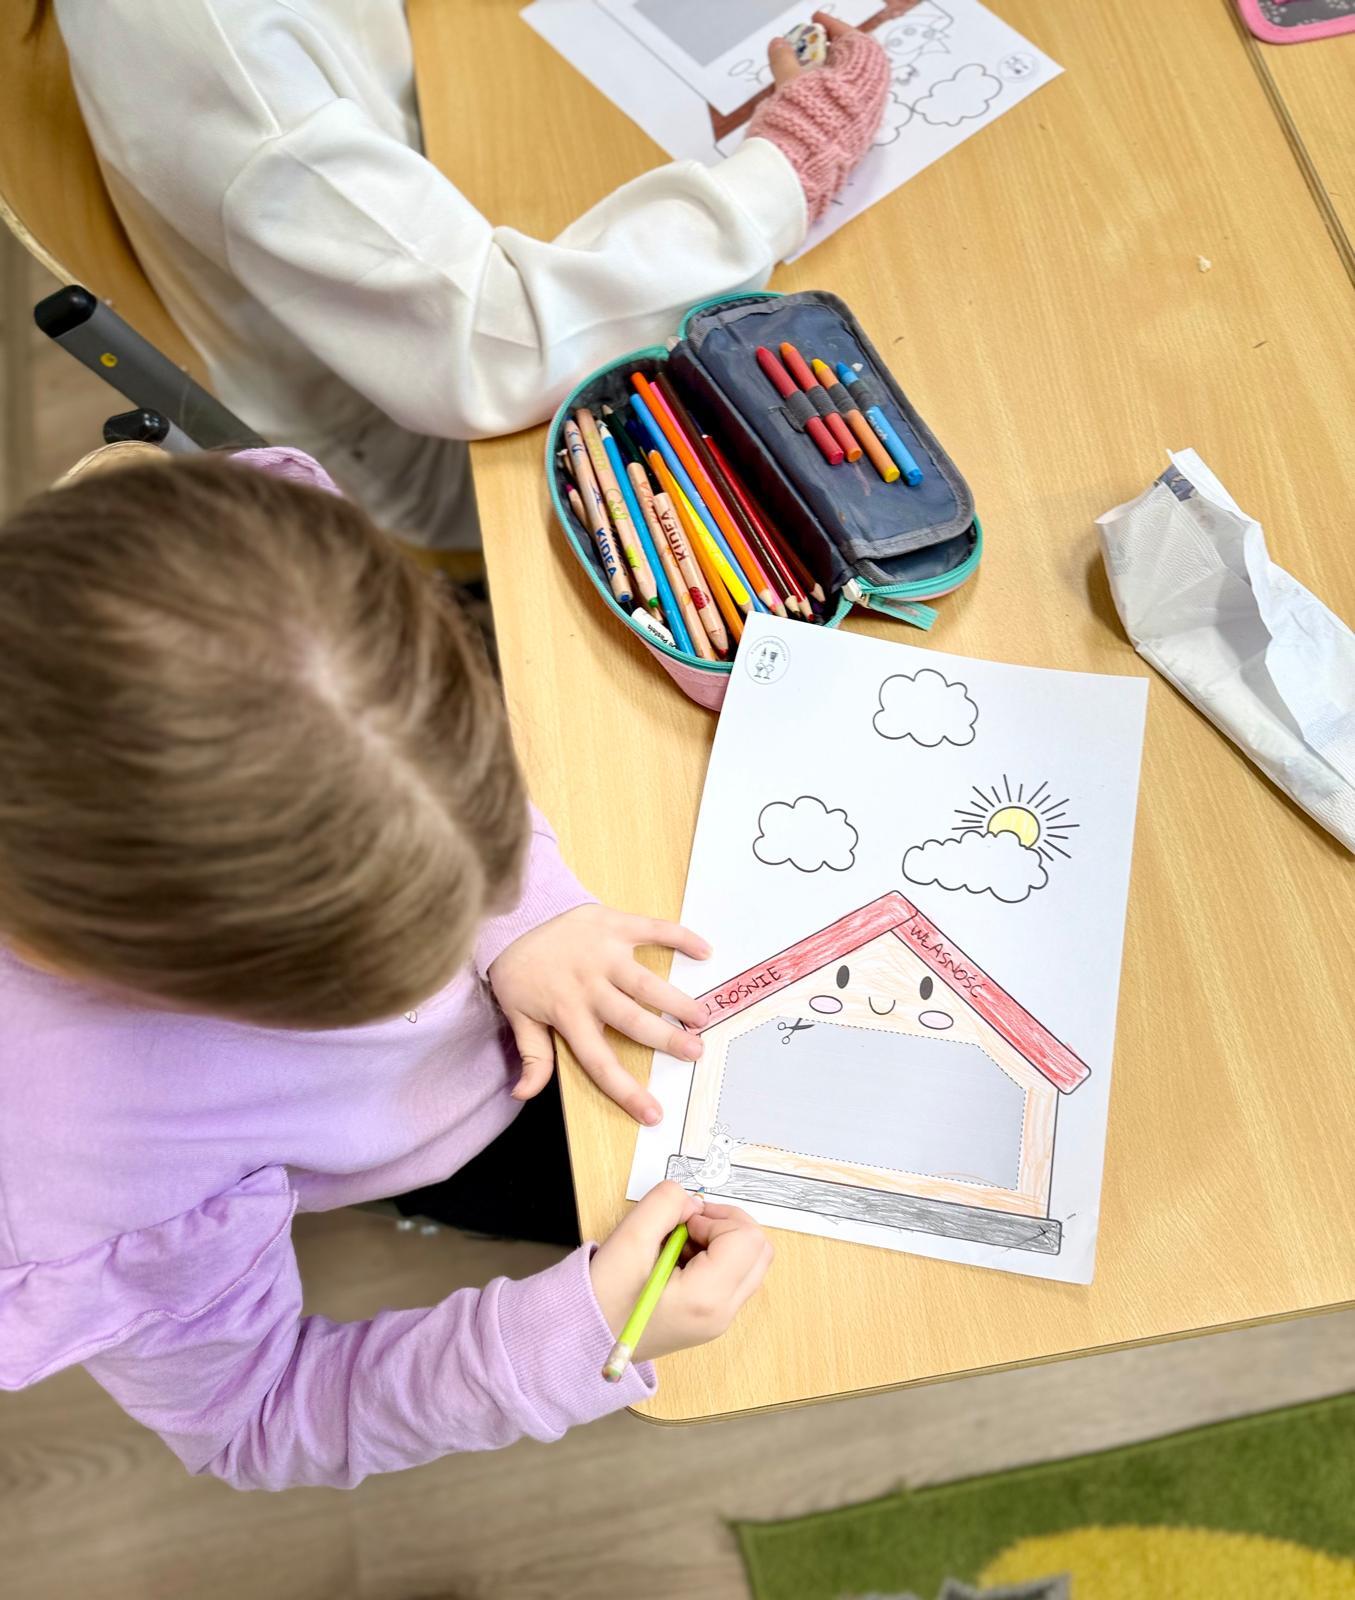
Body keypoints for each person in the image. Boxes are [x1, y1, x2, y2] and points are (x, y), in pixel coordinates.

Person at [0, 449, 773, 1490]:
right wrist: (572, 1329)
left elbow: (389, 735)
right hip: (456, 1138)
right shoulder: (87, 1175)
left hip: (533, 1009)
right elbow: (259, 1419)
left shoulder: (244, 579)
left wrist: (523, 906)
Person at [37, 2, 890, 546]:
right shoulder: (227, 55)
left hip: (421, 230)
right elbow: (497, 346)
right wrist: (792, 161)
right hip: (434, 433)